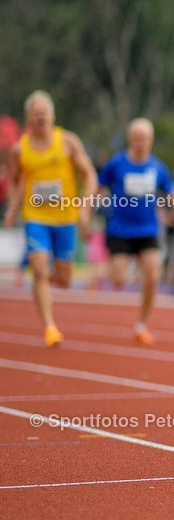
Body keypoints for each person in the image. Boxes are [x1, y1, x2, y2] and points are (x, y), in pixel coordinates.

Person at [3, 91, 97, 347]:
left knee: (65, 280)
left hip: (66, 217)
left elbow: (89, 175)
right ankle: (50, 327)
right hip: (36, 216)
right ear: (28, 119)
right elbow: (13, 181)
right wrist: (13, 206)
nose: (40, 117)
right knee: (41, 268)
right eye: (35, 113)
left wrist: (86, 207)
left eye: (44, 112)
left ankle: (41, 278)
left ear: (53, 116)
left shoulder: (67, 141)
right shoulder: (19, 149)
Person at [97, 118, 174, 345]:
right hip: (120, 230)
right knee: (119, 280)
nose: (142, 143)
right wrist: (90, 209)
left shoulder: (157, 167)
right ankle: (124, 267)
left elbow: (173, 197)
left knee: (152, 276)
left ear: (150, 141)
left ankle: (142, 324)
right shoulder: (117, 163)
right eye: (138, 138)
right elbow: (99, 186)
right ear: (131, 139)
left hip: (147, 229)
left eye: (146, 139)